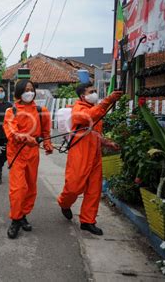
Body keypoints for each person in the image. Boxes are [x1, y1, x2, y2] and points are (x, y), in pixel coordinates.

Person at [57, 84, 122, 235]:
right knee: (73, 187)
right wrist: (108, 100)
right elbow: (88, 117)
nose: (94, 94)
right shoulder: (78, 108)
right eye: (91, 92)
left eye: (94, 91)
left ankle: (87, 221)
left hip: (94, 154)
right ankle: (64, 203)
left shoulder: (94, 108)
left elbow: (94, 133)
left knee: (94, 189)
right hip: (80, 153)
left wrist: (107, 142)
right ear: (82, 96)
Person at [3, 79, 53, 239]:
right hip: (16, 154)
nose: (29, 92)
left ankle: (23, 214)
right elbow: (11, 132)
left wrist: (47, 143)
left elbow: (46, 130)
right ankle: (15, 220)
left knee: (31, 188)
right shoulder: (11, 111)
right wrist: (25, 137)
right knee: (18, 189)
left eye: (31, 89)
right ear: (19, 92)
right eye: (25, 89)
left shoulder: (40, 110)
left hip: (33, 154)